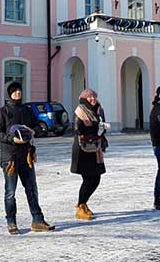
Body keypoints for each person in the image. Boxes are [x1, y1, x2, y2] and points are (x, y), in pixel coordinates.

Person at [0, 81, 55, 234]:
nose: (18, 93)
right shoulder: (2, 112)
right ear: (8, 94)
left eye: (19, 90)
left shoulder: (27, 110)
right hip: (10, 158)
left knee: (32, 189)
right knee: (10, 192)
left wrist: (32, 131)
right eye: (14, 91)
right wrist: (12, 139)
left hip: (26, 156)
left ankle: (38, 220)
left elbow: (38, 127)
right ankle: (11, 222)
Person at [71, 88, 109, 220]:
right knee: (88, 179)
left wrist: (102, 131)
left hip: (96, 149)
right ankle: (81, 206)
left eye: (94, 96)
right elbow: (77, 129)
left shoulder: (99, 110)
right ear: (84, 99)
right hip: (84, 149)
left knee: (96, 179)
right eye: (89, 97)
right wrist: (95, 129)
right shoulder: (80, 111)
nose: (93, 99)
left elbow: (101, 126)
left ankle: (83, 203)